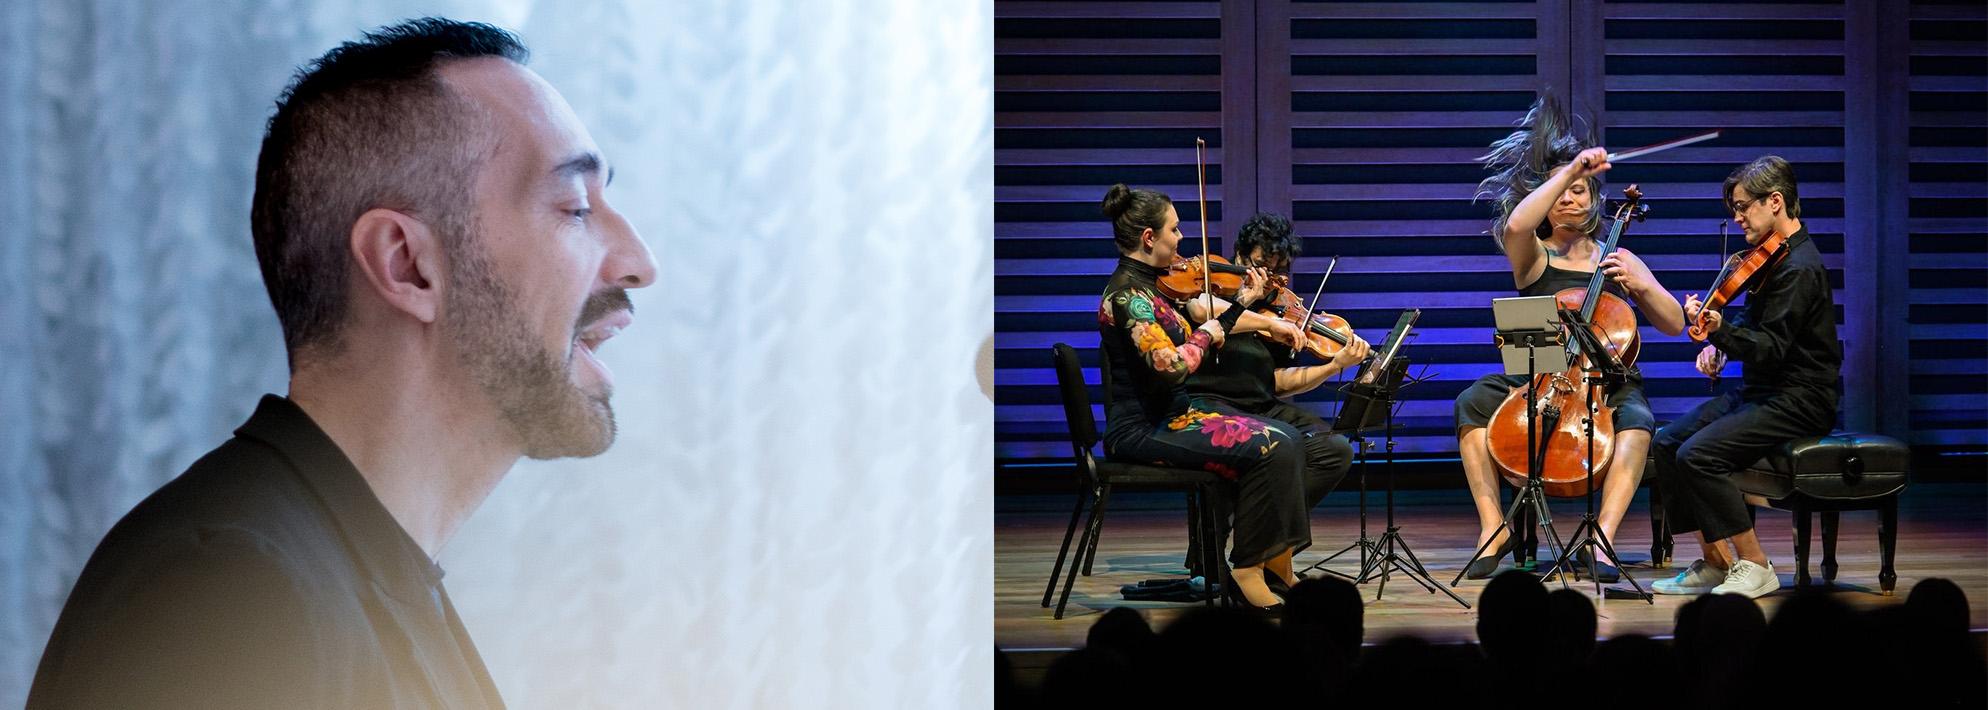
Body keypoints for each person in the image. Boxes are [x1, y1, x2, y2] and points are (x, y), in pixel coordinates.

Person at [28, 18, 656, 708]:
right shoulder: (234, 595)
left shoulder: (361, 584)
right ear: (407, 264)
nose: (638, 264)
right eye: (574, 207)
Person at [1455, 95, 1685, 581]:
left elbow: (1673, 323)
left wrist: (1642, 284)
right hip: (1537, 380)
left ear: (1595, 198)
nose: (1570, 197)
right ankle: (1493, 527)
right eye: (1561, 190)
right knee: (1472, 402)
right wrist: (1568, 169)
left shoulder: (1616, 256)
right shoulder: (1534, 255)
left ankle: (1601, 542)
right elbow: (1517, 221)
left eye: (1581, 189)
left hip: (1607, 385)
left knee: (1639, 420)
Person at [1094, 183, 1310, 611]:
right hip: (1143, 428)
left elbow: (1205, 320)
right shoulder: (1128, 297)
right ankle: (1248, 565)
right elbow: (1171, 366)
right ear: (1149, 238)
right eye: (1174, 230)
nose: (1181, 238)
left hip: (1173, 416)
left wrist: (1237, 309)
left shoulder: (1152, 288)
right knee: (1273, 447)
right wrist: (1207, 334)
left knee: (1289, 436)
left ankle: (1276, 558)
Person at [1651, 156, 1838, 599]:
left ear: (1775, 201)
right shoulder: (1773, 260)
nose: (1737, 218)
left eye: (1742, 207)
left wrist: (1720, 329)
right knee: (1666, 442)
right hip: (1764, 390)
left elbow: (1771, 349)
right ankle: (1716, 563)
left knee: (1698, 455)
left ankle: (1755, 564)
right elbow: (1760, 334)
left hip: (1801, 398)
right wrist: (1719, 345)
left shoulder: (1799, 268)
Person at [1182, 212, 1368, 585]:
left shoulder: (1279, 311)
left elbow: (1281, 382)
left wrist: (1335, 365)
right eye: (1260, 266)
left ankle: (1265, 545)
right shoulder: (1211, 289)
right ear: (1238, 255)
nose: (1269, 279)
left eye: (1278, 271)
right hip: (1210, 407)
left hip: (1261, 406)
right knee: (1281, 446)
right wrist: (1258, 313)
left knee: (1334, 450)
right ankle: (1249, 553)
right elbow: (1200, 309)